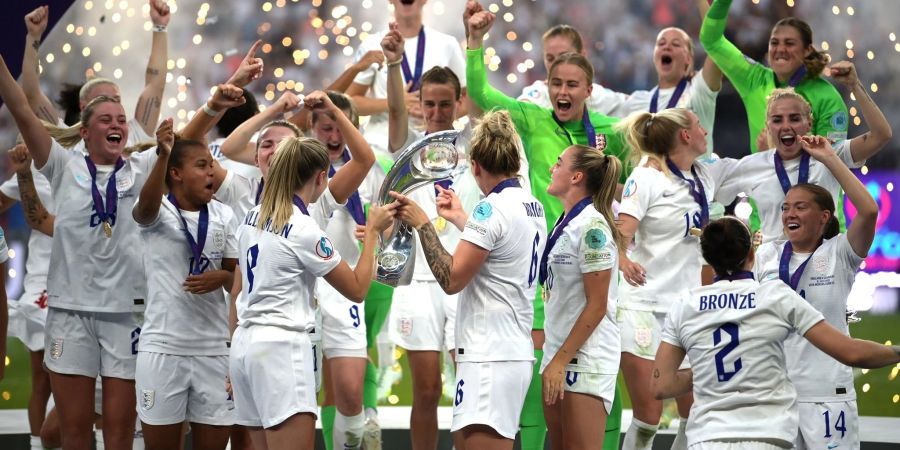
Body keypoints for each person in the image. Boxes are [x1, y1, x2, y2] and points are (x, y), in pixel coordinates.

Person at [464, 4, 631, 448]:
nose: (561, 90)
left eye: (571, 84)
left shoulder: (609, 134)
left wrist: (625, 242)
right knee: (547, 380)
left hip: (585, 260)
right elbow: (480, 92)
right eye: (556, 82)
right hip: (545, 263)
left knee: (586, 377)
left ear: (588, 90)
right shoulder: (533, 118)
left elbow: (634, 177)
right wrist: (476, 42)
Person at [0, 47, 166, 449]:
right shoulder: (61, 164)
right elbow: (22, 107)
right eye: (106, 120)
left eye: (122, 121)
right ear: (85, 130)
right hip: (70, 312)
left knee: (120, 431)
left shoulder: (142, 166)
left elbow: (179, 124)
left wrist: (193, 123)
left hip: (126, 315)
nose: (117, 125)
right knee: (73, 430)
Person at [651, 216, 900, 449]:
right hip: (768, 435)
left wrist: (710, 369)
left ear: (706, 256)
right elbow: (851, 353)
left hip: (706, 437)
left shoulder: (685, 305)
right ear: (751, 254)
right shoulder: (774, 296)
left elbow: (661, 386)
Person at [390, 110, 546, 450]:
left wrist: (423, 224)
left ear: (475, 165)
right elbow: (500, 250)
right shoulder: (531, 204)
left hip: (490, 355)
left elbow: (451, 279)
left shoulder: (491, 210)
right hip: (504, 351)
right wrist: (462, 218)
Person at [229, 136, 395, 450]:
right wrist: (372, 233)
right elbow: (358, 289)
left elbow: (237, 290)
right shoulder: (304, 229)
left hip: (244, 346)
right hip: (282, 348)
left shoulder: (252, 218)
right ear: (321, 178)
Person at [615, 108, 733, 450]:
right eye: (698, 124)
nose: (703, 130)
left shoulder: (703, 175)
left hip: (688, 308)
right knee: (649, 417)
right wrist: (622, 260)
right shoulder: (647, 177)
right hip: (645, 305)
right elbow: (623, 232)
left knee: (696, 413)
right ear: (685, 135)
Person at [753, 134, 879, 450]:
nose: (789, 214)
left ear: (824, 217)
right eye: (785, 208)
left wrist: (830, 158)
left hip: (827, 394)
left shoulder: (840, 253)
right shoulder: (766, 255)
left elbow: (868, 212)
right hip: (775, 396)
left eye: (800, 207)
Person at [383, 24, 476, 450]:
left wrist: (474, 42)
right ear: (418, 104)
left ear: (460, 102)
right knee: (424, 391)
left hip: (462, 279)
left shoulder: (476, 153)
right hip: (419, 282)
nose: (437, 112)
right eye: (429, 103)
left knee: (467, 387)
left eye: (445, 103)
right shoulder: (405, 153)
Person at [131, 133, 242, 450]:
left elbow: (237, 276)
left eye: (212, 165)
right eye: (202, 165)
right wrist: (162, 155)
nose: (211, 172)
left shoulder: (224, 215)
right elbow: (144, 211)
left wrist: (221, 276)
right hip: (163, 348)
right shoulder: (157, 212)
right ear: (176, 173)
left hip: (214, 349)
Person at [520, 0, 722, 157]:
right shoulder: (640, 100)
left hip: (700, 193)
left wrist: (713, 12)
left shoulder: (699, 89)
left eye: (676, 44)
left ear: (689, 57)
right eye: (661, 43)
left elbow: (718, 50)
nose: (667, 46)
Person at [714, 67, 892, 244]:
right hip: (775, 269)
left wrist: (855, 85)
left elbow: (881, 135)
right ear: (768, 126)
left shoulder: (830, 154)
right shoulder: (753, 165)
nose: (786, 126)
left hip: (825, 265)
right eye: (777, 120)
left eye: (794, 118)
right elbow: (701, 180)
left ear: (809, 124)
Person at [308, 92, 384, 450]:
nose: (334, 137)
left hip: (346, 286)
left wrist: (377, 231)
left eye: (342, 129)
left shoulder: (369, 171)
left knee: (351, 396)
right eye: (326, 129)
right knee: (312, 393)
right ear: (311, 129)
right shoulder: (299, 166)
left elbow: (390, 223)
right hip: (305, 289)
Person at [540, 145, 623, 450]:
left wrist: (560, 361)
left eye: (558, 162)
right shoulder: (567, 222)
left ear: (576, 176)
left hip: (584, 360)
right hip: (558, 354)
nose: (552, 168)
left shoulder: (592, 227)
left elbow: (597, 304)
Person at [701, 0, 848, 153]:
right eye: (774, 43)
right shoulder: (755, 79)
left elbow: (831, 160)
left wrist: (772, 154)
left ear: (807, 50)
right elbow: (712, 41)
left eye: (789, 43)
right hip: (758, 176)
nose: (780, 49)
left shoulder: (827, 98)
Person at [20, 2, 170, 143]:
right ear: (84, 108)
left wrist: (160, 28)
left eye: (116, 100)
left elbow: (155, 85)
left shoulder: (133, 141)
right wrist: (33, 36)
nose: (112, 106)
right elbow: (32, 94)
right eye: (102, 100)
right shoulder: (67, 145)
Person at [347, 0, 467, 156]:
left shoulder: (447, 44)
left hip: (434, 151)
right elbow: (349, 102)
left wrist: (436, 116)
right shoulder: (373, 44)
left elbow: (468, 99)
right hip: (379, 151)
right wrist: (395, 104)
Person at [2, 142, 55, 450]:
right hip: (43, 284)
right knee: (43, 380)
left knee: (95, 381)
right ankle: (39, 446)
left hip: (89, 285)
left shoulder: (102, 166)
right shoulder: (36, 165)